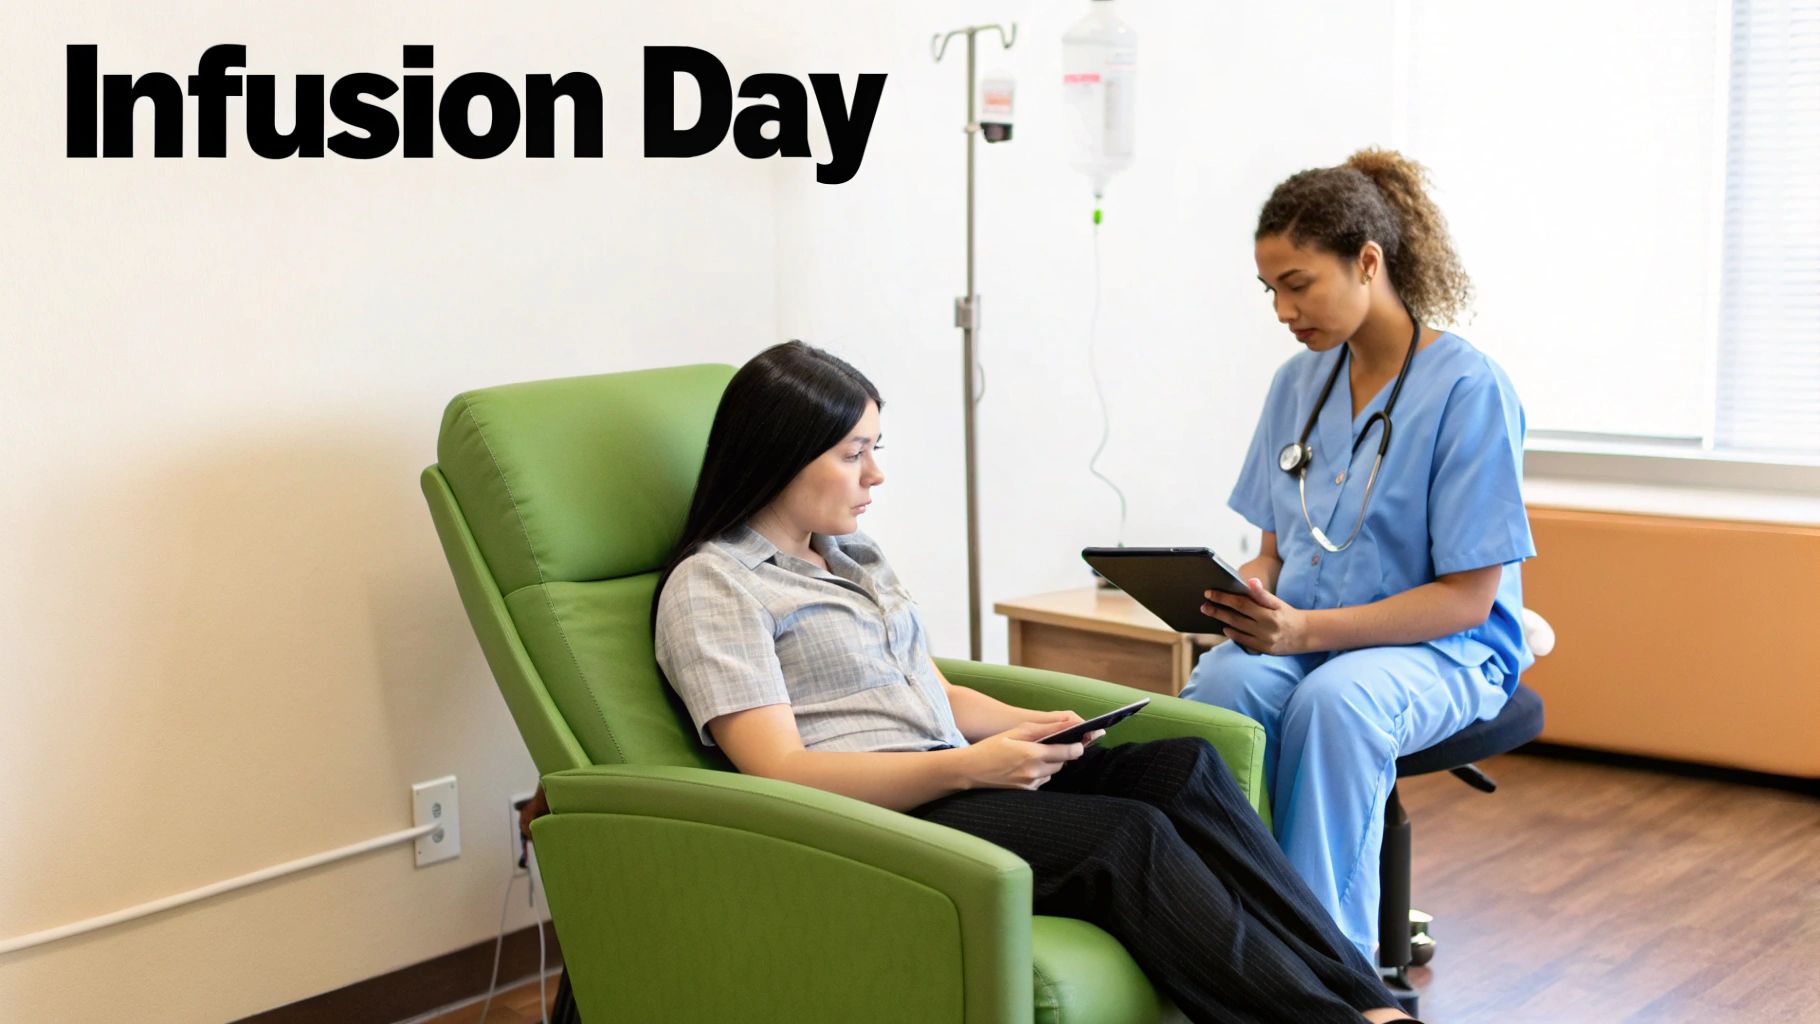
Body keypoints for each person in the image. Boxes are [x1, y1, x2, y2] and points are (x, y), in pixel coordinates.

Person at [653, 341, 1421, 1024]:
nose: (877, 473)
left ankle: (1367, 998)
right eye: (855, 454)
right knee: (1128, 835)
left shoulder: (854, 558)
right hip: (888, 818)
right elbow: (779, 769)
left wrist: (1033, 723)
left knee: (1184, 763)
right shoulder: (715, 585)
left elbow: (923, 690)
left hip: (956, 776)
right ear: (783, 454)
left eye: (875, 448)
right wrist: (964, 766)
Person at [1177, 148, 1535, 960]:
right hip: (1304, 632)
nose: (1281, 309)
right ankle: (1217, 936)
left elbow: (1467, 599)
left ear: (1367, 262)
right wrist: (1248, 589)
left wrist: (1304, 633)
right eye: (1270, 289)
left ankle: (1323, 972)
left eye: (1297, 284)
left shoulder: (1469, 390)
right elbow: (1274, 550)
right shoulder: (1294, 385)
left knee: (1338, 704)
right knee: (1220, 686)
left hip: (1441, 648)